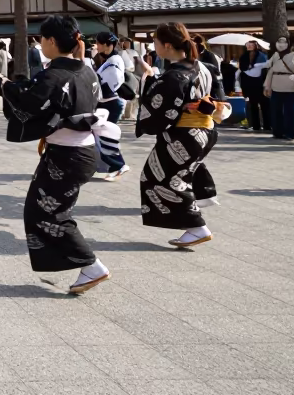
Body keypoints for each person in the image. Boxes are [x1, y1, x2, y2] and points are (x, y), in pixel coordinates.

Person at [2, 15, 112, 294]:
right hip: (78, 151)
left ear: (51, 41)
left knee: (46, 214)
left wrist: (5, 86)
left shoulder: (55, 74)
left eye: (42, 39)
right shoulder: (86, 71)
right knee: (47, 211)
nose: (40, 44)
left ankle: (91, 265)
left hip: (67, 155)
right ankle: (86, 265)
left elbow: (29, 103)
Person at [136, 21, 230, 249]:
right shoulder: (203, 67)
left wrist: (147, 78)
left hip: (184, 134)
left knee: (160, 179)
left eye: (156, 42)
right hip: (204, 131)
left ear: (167, 45)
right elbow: (219, 98)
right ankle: (196, 220)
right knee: (173, 177)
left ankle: (197, 227)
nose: (154, 46)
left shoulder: (174, 76)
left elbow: (158, 107)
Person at [93, 32, 130, 181]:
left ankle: (119, 165)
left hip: (111, 103)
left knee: (105, 136)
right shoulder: (110, 59)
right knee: (102, 135)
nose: (97, 46)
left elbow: (113, 82)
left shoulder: (114, 60)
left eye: (99, 43)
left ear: (108, 45)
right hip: (108, 102)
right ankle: (111, 165)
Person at [264, 34, 294, 140]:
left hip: (290, 86)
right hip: (276, 85)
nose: (281, 45)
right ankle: (277, 132)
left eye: (284, 42)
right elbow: (270, 70)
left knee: (289, 111)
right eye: (279, 42)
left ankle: (289, 133)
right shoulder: (275, 55)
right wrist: (267, 86)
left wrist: (289, 62)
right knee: (276, 110)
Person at [239, 40, 269, 133]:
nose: (250, 46)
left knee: (265, 105)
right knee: (253, 105)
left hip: (261, 83)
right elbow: (242, 70)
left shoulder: (262, 55)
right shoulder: (243, 56)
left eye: (252, 45)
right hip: (250, 84)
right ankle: (256, 125)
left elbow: (266, 69)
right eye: (249, 45)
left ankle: (267, 125)